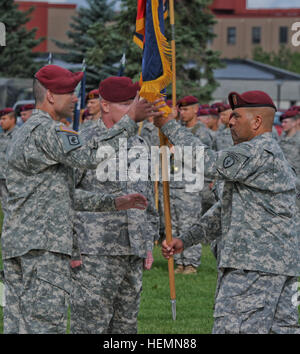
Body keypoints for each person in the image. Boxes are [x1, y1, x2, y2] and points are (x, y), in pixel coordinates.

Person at [1, 64, 164, 334]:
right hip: (43, 248)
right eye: (69, 92)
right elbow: (90, 157)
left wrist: (113, 203)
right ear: (51, 96)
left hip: (26, 245)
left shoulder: (29, 131)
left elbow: (63, 194)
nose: (76, 98)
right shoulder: (48, 132)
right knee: (44, 326)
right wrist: (130, 119)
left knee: (20, 326)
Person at [156, 90, 300, 334]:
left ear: (256, 122)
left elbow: (207, 162)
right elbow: (225, 209)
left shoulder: (257, 151)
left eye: (237, 116)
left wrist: (169, 126)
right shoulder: (263, 154)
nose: (230, 121)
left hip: (254, 267)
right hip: (271, 266)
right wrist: (187, 239)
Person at [70, 76, 160, 334]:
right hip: (93, 252)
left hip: (132, 250)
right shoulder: (84, 141)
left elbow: (147, 200)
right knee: (90, 326)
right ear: (105, 105)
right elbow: (66, 196)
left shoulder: (140, 144)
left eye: (133, 102)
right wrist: (73, 249)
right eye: (125, 104)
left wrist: (147, 242)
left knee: (126, 327)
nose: (133, 109)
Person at [170, 96, 212, 274]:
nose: (182, 112)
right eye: (180, 109)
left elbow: (203, 158)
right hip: (174, 183)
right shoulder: (177, 130)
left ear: (196, 110)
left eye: (186, 109)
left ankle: (191, 263)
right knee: (175, 226)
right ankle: (180, 261)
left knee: (189, 224)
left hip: (190, 185)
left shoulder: (200, 132)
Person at [279, 110, 300, 213]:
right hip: (282, 185)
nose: (283, 124)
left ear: (295, 122)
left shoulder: (298, 140)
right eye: (282, 122)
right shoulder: (281, 139)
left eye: (286, 122)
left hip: (296, 186)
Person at [0, 108, 18, 215]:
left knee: (15, 209)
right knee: (5, 207)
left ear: (13, 119)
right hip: (2, 178)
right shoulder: (2, 135)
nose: (1, 122)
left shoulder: (18, 135)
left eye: (4, 119)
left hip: (13, 178)